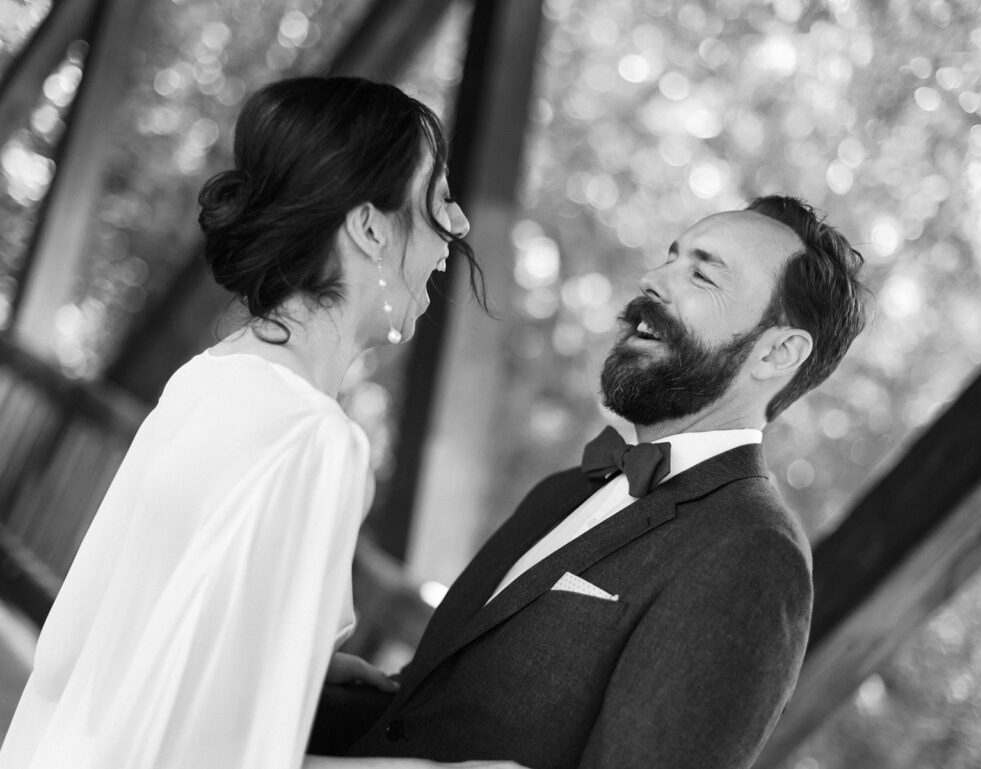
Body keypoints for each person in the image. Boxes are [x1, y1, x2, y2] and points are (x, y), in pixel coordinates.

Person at [0, 76, 522, 769]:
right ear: (369, 227)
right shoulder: (315, 440)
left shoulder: (211, 376)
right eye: (441, 197)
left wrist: (291, 664)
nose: (455, 226)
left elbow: (139, 625)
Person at [309, 196, 868, 769]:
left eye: (701, 274)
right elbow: (417, 718)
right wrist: (296, 687)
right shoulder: (563, 491)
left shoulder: (752, 555)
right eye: (668, 259)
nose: (652, 280)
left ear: (778, 352)